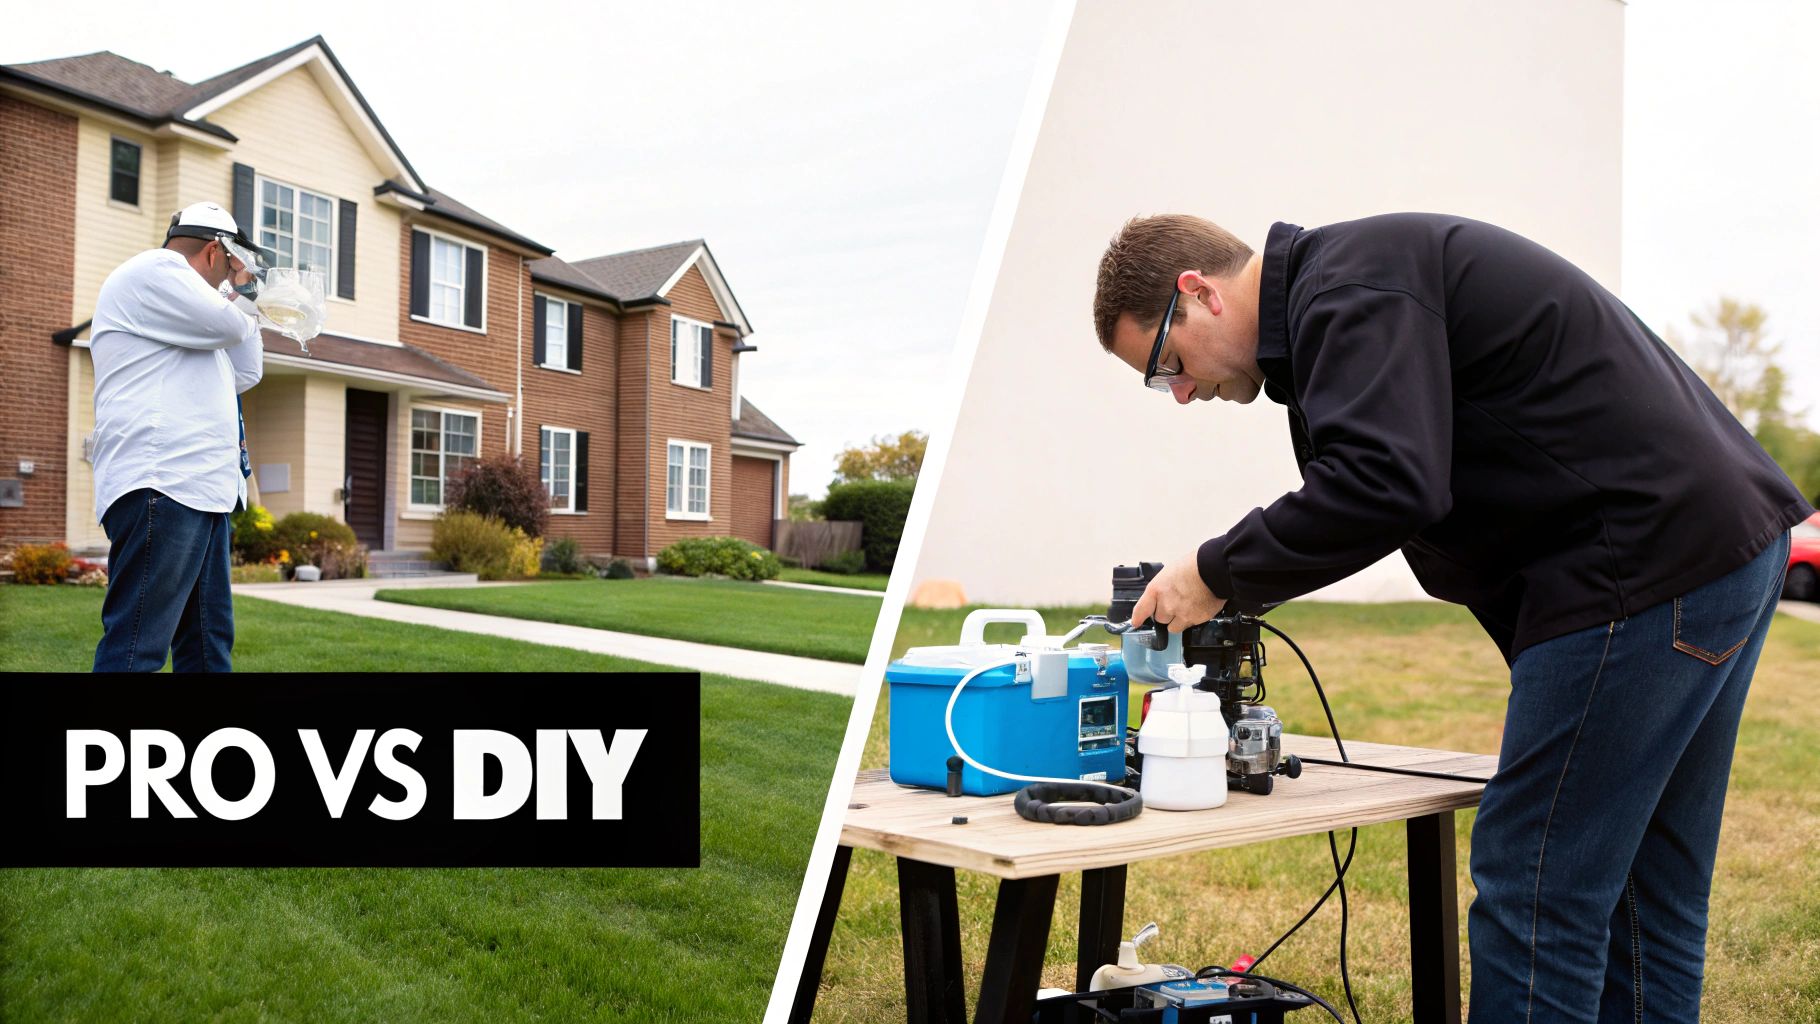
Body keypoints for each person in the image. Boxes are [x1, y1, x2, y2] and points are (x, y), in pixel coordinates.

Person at [1097, 212, 1812, 1023]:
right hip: (1716, 549)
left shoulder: (1350, 291)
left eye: (1165, 366)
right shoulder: (1352, 292)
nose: (1181, 393)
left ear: (1199, 293)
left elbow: (1385, 486)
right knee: (1651, 891)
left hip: (1639, 566)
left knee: (1538, 885)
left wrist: (1213, 572)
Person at [90, 201, 266, 673]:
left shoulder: (195, 314)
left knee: (207, 647)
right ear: (214, 251)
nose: (233, 277)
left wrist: (239, 298)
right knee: (137, 646)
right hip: (161, 483)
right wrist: (246, 292)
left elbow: (245, 371)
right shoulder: (156, 270)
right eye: (231, 265)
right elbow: (231, 324)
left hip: (201, 490)